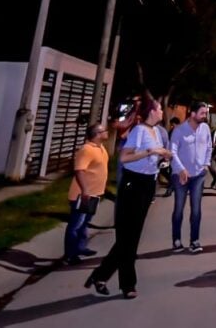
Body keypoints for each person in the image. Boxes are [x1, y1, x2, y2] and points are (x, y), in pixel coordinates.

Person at [86, 93, 171, 299]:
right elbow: (125, 157)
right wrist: (150, 152)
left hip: (148, 184)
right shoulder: (139, 131)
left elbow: (155, 156)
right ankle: (127, 285)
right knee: (128, 238)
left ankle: (100, 275)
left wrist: (162, 160)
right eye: (160, 108)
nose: (163, 111)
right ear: (152, 111)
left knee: (130, 237)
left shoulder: (158, 132)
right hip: (133, 184)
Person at [169, 101, 212, 254]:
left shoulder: (205, 128)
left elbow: (208, 146)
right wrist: (181, 169)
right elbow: (172, 152)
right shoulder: (179, 130)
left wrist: (206, 164)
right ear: (192, 114)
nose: (205, 116)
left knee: (196, 209)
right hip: (180, 176)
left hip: (198, 175)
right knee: (179, 208)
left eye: (205, 113)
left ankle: (194, 240)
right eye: (202, 113)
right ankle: (176, 240)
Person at [64, 123, 109, 265]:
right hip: (83, 195)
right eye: (104, 131)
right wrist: (85, 190)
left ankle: (80, 247)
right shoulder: (87, 150)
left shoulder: (100, 147)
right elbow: (79, 171)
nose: (107, 132)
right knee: (76, 225)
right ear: (97, 134)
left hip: (94, 195)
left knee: (85, 223)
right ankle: (70, 254)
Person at [159, 117, 179, 198]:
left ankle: (170, 190)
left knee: (171, 171)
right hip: (170, 153)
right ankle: (172, 184)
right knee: (163, 169)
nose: (171, 126)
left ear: (175, 124)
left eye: (172, 124)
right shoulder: (171, 131)